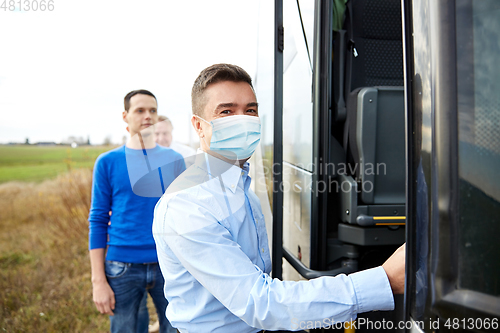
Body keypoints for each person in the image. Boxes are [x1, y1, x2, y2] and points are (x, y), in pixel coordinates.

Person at [152, 64, 405, 332]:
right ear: (199, 126)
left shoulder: (242, 188)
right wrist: (384, 280)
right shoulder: (187, 206)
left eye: (250, 110)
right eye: (226, 112)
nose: (243, 119)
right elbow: (260, 302)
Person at [89, 89, 185, 333]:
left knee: (178, 328)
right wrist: (98, 280)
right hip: (122, 267)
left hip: (169, 263)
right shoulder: (107, 162)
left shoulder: (174, 159)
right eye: (140, 110)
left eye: (153, 110)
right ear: (125, 116)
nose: (147, 116)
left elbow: (185, 216)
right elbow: (98, 220)